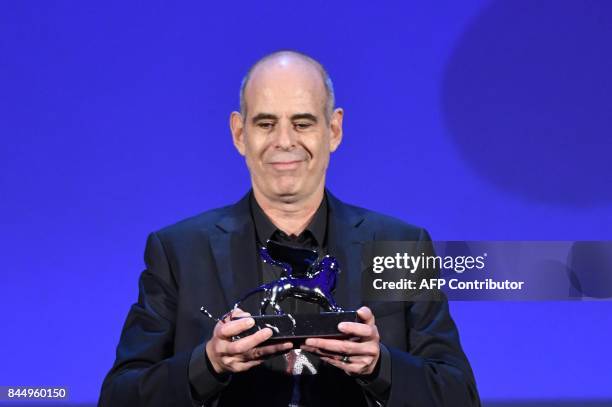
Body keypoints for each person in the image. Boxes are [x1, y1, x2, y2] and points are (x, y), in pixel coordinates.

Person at [98, 50, 480, 407]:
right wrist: (208, 363)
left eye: (302, 122)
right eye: (266, 123)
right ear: (239, 133)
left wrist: (381, 366)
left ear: (333, 130)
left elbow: (458, 394)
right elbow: (119, 396)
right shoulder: (178, 250)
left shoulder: (399, 247)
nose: (284, 141)